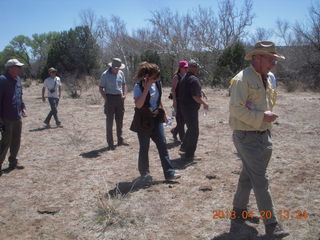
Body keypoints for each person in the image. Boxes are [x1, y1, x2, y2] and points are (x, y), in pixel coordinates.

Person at [228, 41, 289, 239]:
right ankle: (272, 224)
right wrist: (262, 117)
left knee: (248, 175)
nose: (274, 63)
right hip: (246, 136)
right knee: (261, 179)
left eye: (275, 59)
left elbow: (264, 103)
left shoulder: (269, 78)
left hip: (264, 134)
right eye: (270, 59)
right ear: (257, 57)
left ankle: (238, 212)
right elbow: (236, 109)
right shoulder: (241, 79)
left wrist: (264, 120)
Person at [131, 62, 180, 181]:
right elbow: (138, 105)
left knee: (163, 145)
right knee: (144, 147)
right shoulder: (138, 86)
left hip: (156, 118)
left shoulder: (158, 83)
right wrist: (146, 89)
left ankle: (169, 173)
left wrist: (164, 114)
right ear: (147, 76)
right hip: (143, 120)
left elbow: (158, 100)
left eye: (158, 76)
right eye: (154, 77)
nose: (157, 79)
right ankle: (145, 174)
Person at [0, 59, 28, 175]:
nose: (19, 69)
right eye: (17, 67)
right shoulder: (2, 80)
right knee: (6, 141)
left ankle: (13, 162)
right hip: (6, 116)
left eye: (20, 67)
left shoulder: (18, 79)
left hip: (17, 115)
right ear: (10, 68)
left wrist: (23, 107)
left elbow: (19, 96)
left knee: (16, 140)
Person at [178, 59, 208, 162]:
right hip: (190, 109)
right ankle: (189, 155)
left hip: (183, 108)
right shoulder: (194, 80)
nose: (196, 68)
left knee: (190, 129)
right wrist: (204, 103)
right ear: (193, 68)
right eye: (195, 67)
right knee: (194, 131)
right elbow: (195, 96)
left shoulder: (184, 78)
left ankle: (183, 147)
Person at [99, 58, 127, 150]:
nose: (117, 69)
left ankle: (120, 140)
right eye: (116, 68)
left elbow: (123, 84)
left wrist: (124, 94)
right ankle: (110, 143)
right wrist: (106, 99)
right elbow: (101, 88)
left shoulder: (121, 73)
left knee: (120, 120)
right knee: (109, 122)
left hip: (119, 98)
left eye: (119, 68)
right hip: (109, 98)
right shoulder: (105, 75)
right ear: (112, 67)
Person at [170, 60, 188, 142]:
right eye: (185, 67)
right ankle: (183, 140)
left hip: (185, 101)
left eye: (187, 67)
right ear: (180, 68)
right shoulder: (176, 77)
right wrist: (174, 102)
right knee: (180, 121)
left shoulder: (186, 76)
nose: (186, 69)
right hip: (178, 100)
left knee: (184, 120)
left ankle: (174, 131)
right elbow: (173, 90)